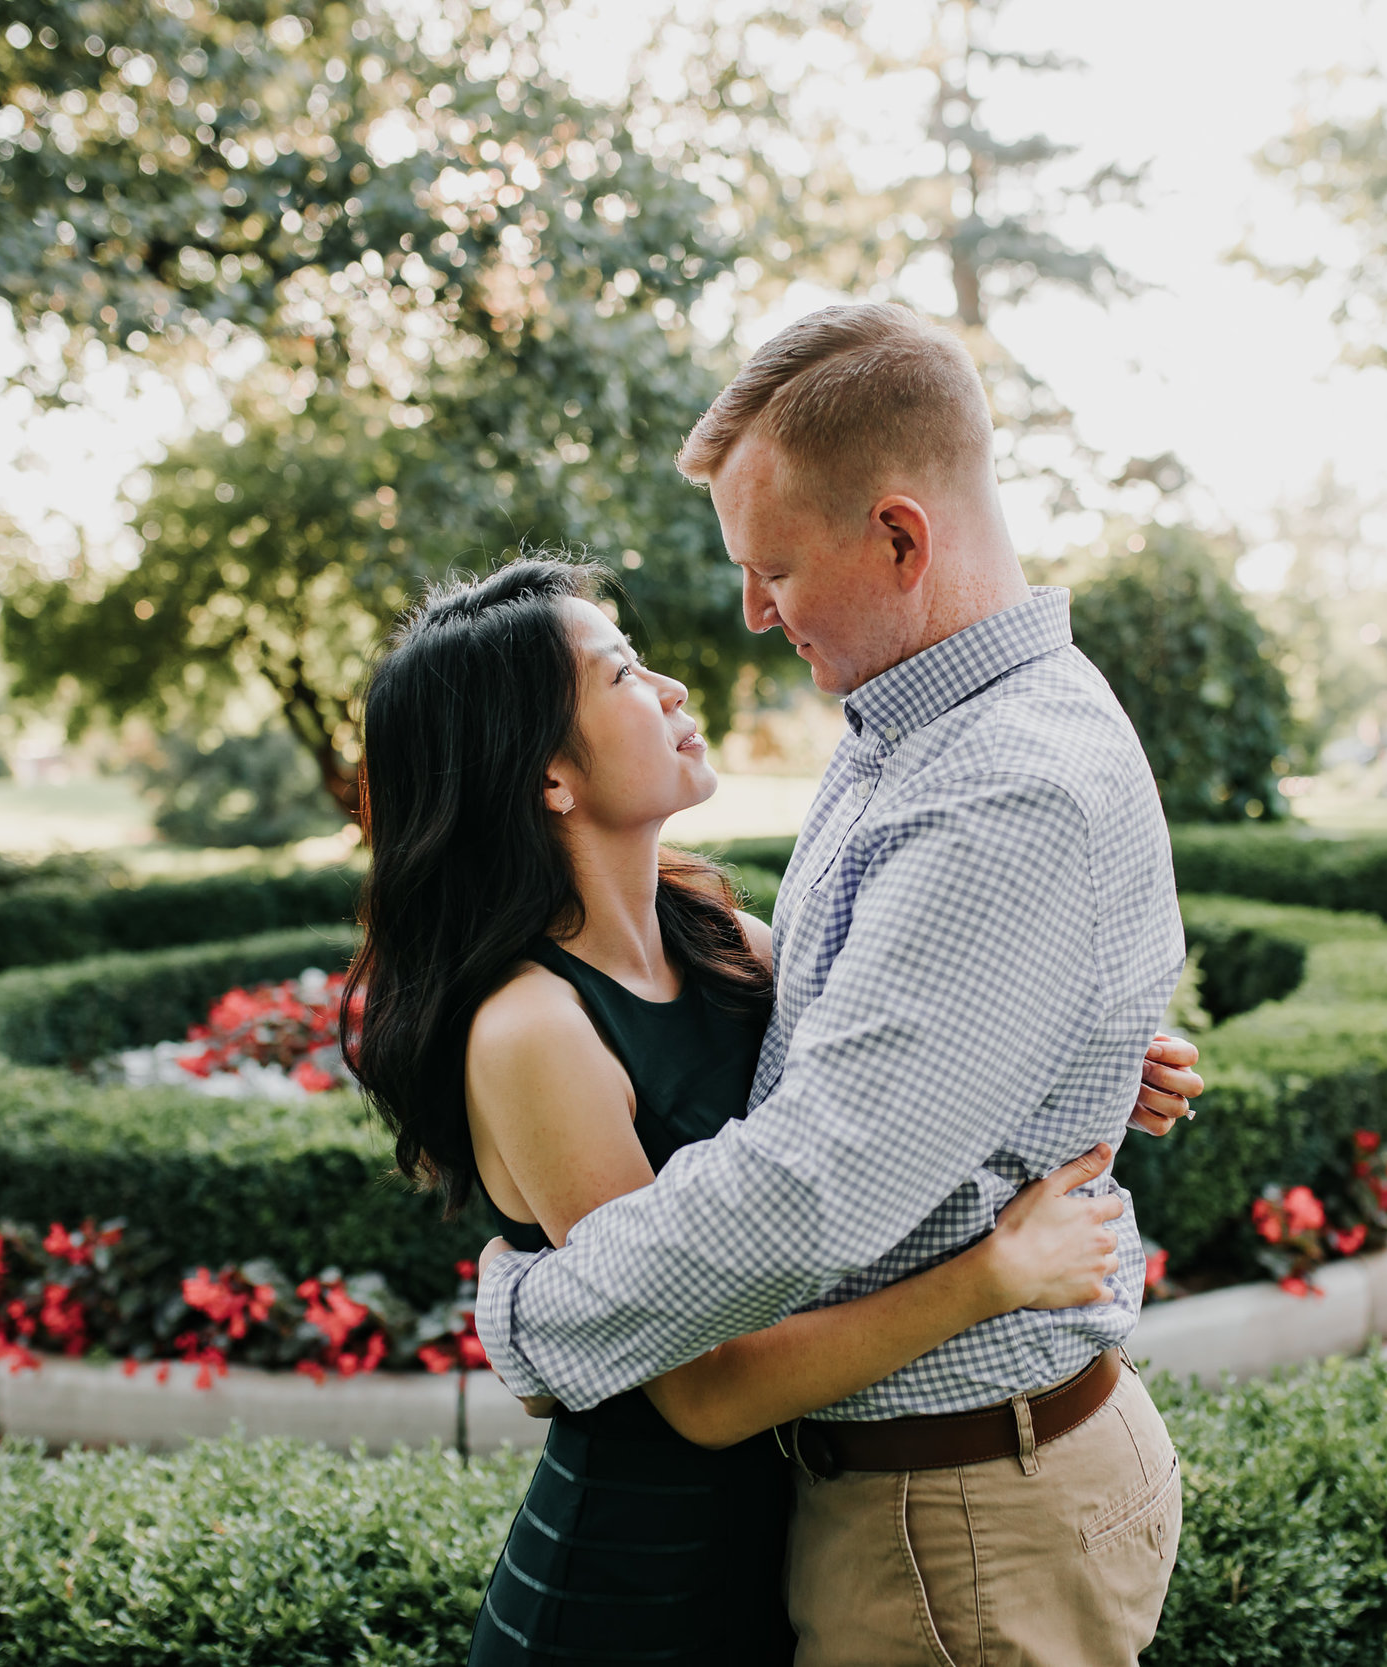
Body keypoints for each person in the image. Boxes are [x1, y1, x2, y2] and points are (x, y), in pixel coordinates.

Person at [473, 301, 1196, 1665]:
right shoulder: (916, 727)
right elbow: (858, 1003)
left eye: (776, 569)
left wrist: (526, 1311)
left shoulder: (998, 789)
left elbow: (809, 1192)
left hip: (959, 1523)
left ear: (902, 538)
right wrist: (1043, 1038)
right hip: (936, 1498)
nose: (750, 613)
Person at [346, 558, 1182, 1664]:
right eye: (623, 673)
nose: (673, 688)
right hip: (632, 1592)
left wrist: (1093, 1054)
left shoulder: (717, 934)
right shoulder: (534, 1028)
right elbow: (702, 1390)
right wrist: (991, 1276)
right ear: (550, 774)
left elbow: (898, 1079)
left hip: (775, 1539)